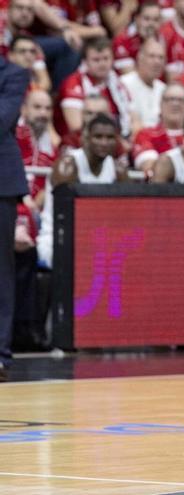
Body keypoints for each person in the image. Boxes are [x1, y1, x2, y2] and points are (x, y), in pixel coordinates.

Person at [37, 114, 130, 269]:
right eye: (98, 137)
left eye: (110, 137)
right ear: (85, 138)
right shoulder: (67, 166)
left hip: (102, 240)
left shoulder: (118, 170)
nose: (104, 142)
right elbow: (65, 217)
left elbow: (128, 214)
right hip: (59, 238)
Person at [0, 57, 29, 382]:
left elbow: (3, 118)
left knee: (1, 271)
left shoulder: (13, 73)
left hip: (1, 185)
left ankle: (0, 356)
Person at [131, 83, 184, 176]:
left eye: (182, 100)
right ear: (160, 104)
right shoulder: (146, 134)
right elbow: (149, 166)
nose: (175, 104)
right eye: (170, 99)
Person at [120, 36, 167, 131]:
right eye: (152, 56)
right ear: (140, 58)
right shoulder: (124, 84)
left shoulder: (164, 89)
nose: (157, 62)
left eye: (161, 57)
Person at [112, 0, 162, 74]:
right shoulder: (122, 40)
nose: (151, 24)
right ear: (136, 18)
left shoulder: (162, 38)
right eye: (146, 19)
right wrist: (148, 43)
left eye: (156, 20)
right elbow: (129, 76)